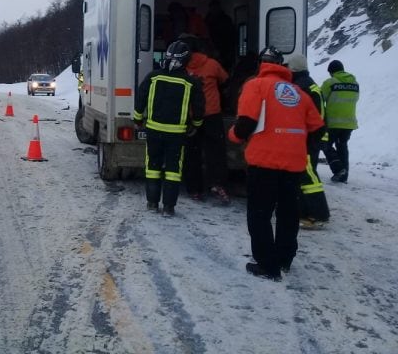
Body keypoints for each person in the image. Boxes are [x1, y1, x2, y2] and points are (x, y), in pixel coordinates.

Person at [228, 47, 324, 281]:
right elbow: (318, 128)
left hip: (264, 161)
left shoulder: (255, 85)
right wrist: (298, 143)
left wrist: (234, 136)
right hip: (293, 163)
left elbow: (247, 122)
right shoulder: (298, 92)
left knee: (260, 214)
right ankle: (284, 259)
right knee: (288, 213)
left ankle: (267, 265)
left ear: (261, 64)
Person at [134, 40, 205, 217]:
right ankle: (168, 207)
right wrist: (196, 125)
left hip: (153, 131)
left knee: (153, 166)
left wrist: (137, 119)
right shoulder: (190, 82)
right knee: (173, 170)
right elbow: (199, 107)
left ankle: (151, 203)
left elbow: (140, 99)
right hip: (176, 134)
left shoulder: (153, 77)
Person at [180, 35, 231, 205]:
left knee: (191, 153)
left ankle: (195, 189)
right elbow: (225, 80)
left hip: (190, 115)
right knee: (215, 152)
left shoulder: (181, 67)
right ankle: (217, 184)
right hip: (212, 114)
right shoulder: (212, 64)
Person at [285, 53, 331, 229]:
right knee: (303, 176)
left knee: (309, 178)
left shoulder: (302, 87)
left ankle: (318, 214)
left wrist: (307, 137)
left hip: (307, 139)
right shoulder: (308, 85)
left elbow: (314, 118)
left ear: (294, 68)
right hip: (309, 138)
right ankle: (304, 212)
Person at [321, 59, 359, 183]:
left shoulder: (330, 83)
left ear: (331, 72)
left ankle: (338, 169)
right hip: (349, 123)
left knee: (325, 144)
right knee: (342, 146)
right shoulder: (355, 83)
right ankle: (344, 176)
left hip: (333, 122)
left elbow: (320, 99)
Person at [205, 0, 237, 70]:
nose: (213, 10)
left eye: (215, 8)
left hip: (225, 50)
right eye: (212, 8)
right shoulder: (207, 20)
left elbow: (231, 37)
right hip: (210, 50)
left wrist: (227, 53)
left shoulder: (226, 20)